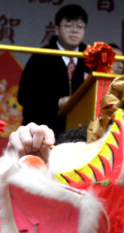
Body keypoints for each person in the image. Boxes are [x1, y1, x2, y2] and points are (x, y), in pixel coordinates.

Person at [18, 4, 90, 135]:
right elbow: (24, 96)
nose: (74, 31)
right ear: (57, 29)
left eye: (80, 27)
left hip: (80, 135)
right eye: (68, 26)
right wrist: (58, 102)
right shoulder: (40, 57)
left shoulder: (91, 59)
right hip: (44, 132)